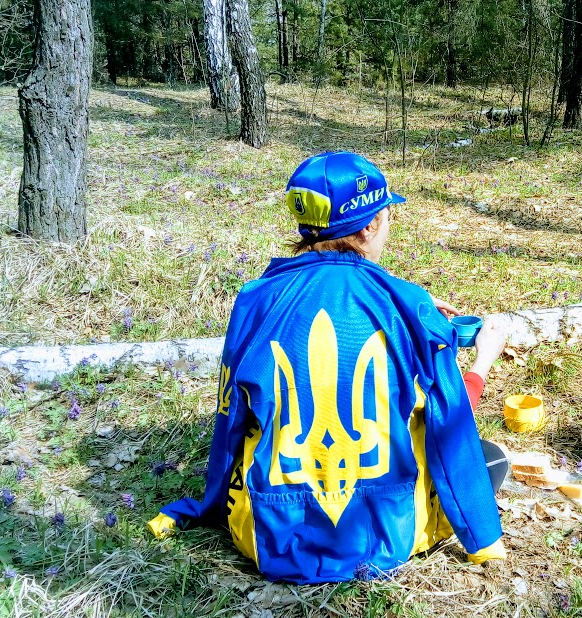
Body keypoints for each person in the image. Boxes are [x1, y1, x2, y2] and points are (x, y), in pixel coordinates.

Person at [148, 151, 508, 584]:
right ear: (369, 225)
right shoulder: (408, 304)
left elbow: (231, 414)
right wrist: (483, 537)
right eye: (388, 216)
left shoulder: (256, 299)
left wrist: (209, 505)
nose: (389, 226)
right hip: (389, 535)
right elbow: (450, 422)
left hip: (268, 534)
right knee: (464, 444)